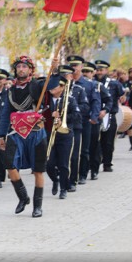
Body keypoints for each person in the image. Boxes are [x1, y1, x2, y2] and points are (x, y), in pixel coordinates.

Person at [0, 56, 48, 218]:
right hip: (16, 133)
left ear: (30, 70)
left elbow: (53, 85)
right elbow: (5, 114)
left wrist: (54, 68)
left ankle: (37, 206)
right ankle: (23, 197)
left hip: (35, 132)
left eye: (25, 67)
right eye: (19, 66)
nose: (21, 69)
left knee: (38, 170)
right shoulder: (10, 90)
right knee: (10, 165)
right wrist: (0, 135)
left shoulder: (38, 85)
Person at [67, 55, 101, 186]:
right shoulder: (65, 82)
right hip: (69, 121)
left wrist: (94, 116)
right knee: (70, 150)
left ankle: (82, 174)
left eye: (76, 65)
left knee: (84, 150)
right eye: (71, 65)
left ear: (81, 67)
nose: (73, 68)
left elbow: (96, 101)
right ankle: (69, 174)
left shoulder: (89, 84)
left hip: (84, 121)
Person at [46, 76, 79, 200]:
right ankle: (55, 180)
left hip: (65, 135)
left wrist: (62, 117)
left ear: (62, 87)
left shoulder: (70, 100)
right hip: (50, 134)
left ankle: (64, 188)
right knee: (49, 164)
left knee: (63, 164)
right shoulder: (47, 101)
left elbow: (76, 115)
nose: (52, 88)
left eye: (56, 86)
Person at [60, 65, 88, 193]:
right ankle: (61, 181)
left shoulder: (79, 90)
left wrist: (69, 111)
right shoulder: (56, 90)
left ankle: (72, 181)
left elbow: (85, 107)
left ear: (71, 76)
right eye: (62, 75)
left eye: (66, 75)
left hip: (74, 127)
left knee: (74, 156)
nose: (64, 78)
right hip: (57, 127)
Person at [81, 61, 112, 181]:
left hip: (93, 120)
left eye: (88, 72)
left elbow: (109, 100)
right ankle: (82, 171)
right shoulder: (77, 84)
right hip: (81, 119)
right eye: (84, 71)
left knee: (93, 145)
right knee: (82, 147)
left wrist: (104, 110)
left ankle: (94, 170)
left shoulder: (97, 85)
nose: (85, 74)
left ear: (93, 73)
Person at [95, 60, 125, 173]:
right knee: (95, 140)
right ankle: (94, 163)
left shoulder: (114, 83)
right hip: (96, 115)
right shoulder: (92, 82)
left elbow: (122, 96)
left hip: (110, 115)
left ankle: (107, 164)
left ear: (106, 70)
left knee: (108, 141)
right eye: (97, 70)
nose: (99, 72)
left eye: (101, 70)